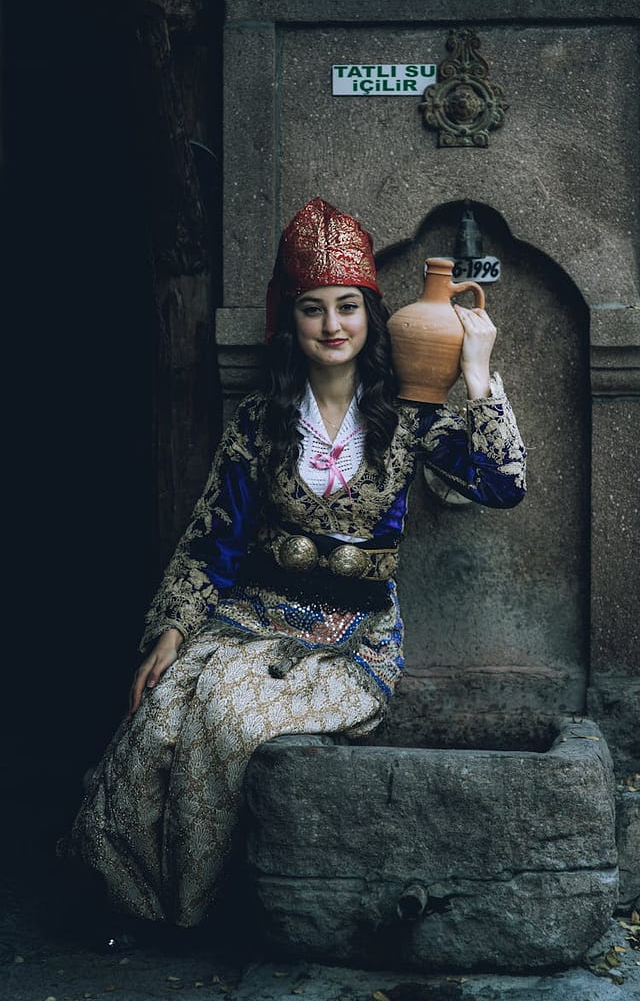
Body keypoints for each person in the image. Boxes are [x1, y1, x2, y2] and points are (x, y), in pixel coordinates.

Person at [59, 196, 526, 944]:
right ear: (291, 321)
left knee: (229, 719)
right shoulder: (260, 418)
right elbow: (214, 536)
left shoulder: (410, 416)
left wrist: (475, 371)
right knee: (156, 722)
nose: (332, 325)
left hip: (348, 643)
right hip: (246, 620)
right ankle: (131, 907)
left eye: (347, 306)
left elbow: (502, 486)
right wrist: (172, 631)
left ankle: (200, 915)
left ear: (371, 316)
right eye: (313, 309)